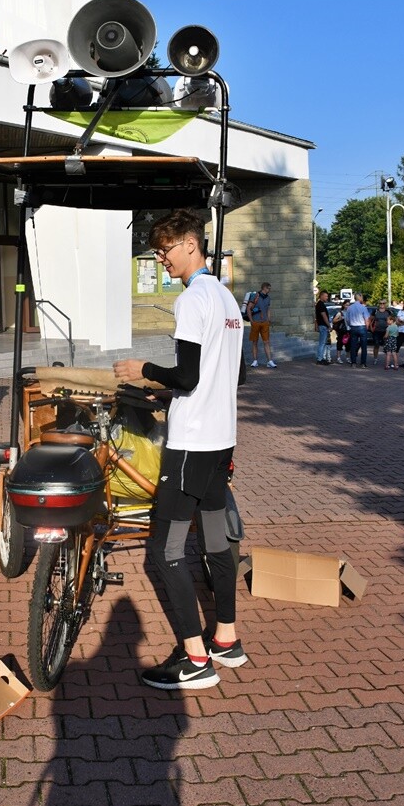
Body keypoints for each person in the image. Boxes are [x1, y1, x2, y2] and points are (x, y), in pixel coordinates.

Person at [113, 208, 246, 692]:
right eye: (157, 252)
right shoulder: (229, 299)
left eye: (165, 250)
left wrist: (143, 369)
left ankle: (194, 658)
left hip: (191, 443)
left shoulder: (193, 299)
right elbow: (235, 375)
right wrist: (174, 391)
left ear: (192, 244)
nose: (161, 259)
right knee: (215, 542)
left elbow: (188, 375)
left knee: (164, 550)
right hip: (222, 439)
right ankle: (227, 641)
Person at [246, 282, 276, 368]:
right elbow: (249, 308)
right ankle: (255, 361)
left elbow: (268, 309)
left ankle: (269, 361)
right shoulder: (255, 296)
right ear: (264, 288)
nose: (269, 290)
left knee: (266, 342)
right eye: (268, 288)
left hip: (264, 322)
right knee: (255, 342)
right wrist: (251, 320)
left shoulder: (268, 298)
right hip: (256, 322)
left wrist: (268, 319)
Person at [345, 292, 370, 368]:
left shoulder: (350, 308)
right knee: (364, 346)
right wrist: (367, 327)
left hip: (353, 327)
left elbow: (347, 319)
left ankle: (353, 363)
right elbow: (366, 319)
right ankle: (363, 363)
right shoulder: (363, 307)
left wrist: (350, 325)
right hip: (362, 327)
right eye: (361, 297)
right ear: (359, 298)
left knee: (353, 346)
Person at [370, 300, 391, 365]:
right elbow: (370, 319)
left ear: (385, 304)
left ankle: (387, 360)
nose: (382, 304)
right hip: (376, 331)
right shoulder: (375, 311)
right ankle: (375, 359)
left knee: (386, 345)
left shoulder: (388, 311)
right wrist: (371, 328)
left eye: (383, 303)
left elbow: (391, 321)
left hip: (385, 330)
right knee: (376, 344)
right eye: (380, 303)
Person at [314, 290, 332, 365]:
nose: (327, 298)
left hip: (322, 325)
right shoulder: (320, 305)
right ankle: (320, 359)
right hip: (323, 326)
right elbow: (323, 316)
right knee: (322, 343)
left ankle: (322, 358)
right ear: (321, 296)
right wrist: (329, 325)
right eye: (326, 296)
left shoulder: (320, 304)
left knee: (323, 343)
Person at [332, 299, 350, 364]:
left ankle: (348, 358)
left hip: (349, 330)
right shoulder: (340, 313)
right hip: (342, 331)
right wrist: (340, 318)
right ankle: (338, 358)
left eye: (349, 305)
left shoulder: (350, 313)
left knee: (348, 345)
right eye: (346, 305)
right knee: (340, 344)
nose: (347, 307)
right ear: (343, 305)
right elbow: (333, 321)